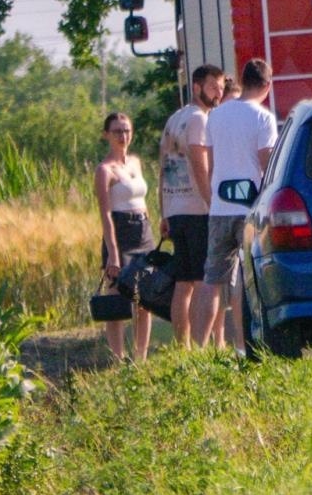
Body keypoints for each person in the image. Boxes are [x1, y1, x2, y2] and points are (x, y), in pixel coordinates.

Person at [192, 58, 277, 349]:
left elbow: (212, 161)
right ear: (267, 85)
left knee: (212, 280)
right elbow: (267, 163)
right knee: (246, 276)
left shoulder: (216, 115)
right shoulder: (263, 117)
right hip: (248, 209)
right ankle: (244, 345)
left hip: (219, 208)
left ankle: (197, 351)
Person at [159, 63, 225, 343]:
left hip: (175, 209)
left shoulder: (175, 118)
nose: (218, 93)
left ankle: (182, 346)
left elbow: (162, 166)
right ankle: (200, 344)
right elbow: (201, 165)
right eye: (213, 87)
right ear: (196, 87)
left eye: (221, 87)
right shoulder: (199, 119)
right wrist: (213, 205)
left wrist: (163, 211)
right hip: (197, 209)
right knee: (200, 280)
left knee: (183, 282)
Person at [95, 111, 154, 362]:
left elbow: (141, 198)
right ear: (106, 135)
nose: (123, 135)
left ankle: (140, 356)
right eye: (117, 131)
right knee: (117, 296)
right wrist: (113, 253)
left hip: (143, 229)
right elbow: (106, 214)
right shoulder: (104, 170)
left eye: (127, 130)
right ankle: (117, 358)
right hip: (121, 229)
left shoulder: (135, 162)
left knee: (145, 298)